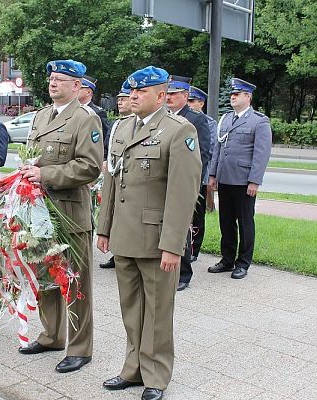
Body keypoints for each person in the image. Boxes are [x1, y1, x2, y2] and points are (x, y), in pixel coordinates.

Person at [96, 66, 201, 400]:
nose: (133, 97)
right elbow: (112, 180)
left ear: (160, 95)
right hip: (124, 235)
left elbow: (183, 193)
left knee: (157, 311)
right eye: (132, 91)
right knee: (131, 307)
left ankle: (155, 375)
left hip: (156, 239)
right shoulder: (122, 127)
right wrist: (104, 226)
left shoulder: (177, 130)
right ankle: (133, 368)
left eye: (141, 92)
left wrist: (173, 245)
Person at [18, 59, 103, 374]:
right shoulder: (41, 116)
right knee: (45, 278)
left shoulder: (85, 119)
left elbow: (89, 166)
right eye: (52, 78)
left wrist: (44, 173)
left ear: (77, 86)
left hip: (69, 214)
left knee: (75, 283)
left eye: (61, 79)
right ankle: (52, 335)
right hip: (38, 211)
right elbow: (31, 156)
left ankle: (80, 348)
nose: (53, 83)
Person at [208, 78, 272, 279]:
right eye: (232, 94)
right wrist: (212, 174)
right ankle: (227, 260)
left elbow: (261, 154)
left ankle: (243, 263)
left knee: (245, 222)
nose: (233, 97)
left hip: (244, 181)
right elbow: (218, 148)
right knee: (226, 222)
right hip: (225, 178)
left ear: (248, 97)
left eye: (237, 94)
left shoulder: (259, 121)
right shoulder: (226, 119)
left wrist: (255, 181)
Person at [166, 76, 210, 291]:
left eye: (174, 94)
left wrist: (193, 185)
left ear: (185, 96)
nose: (169, 97)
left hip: (184, 183)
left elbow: (203, 154)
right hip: (163, 182)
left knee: (182, 227)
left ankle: (184, 274)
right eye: (167, 93)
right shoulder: (163, 117)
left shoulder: (195, 119)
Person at [99, 82, 133, 270]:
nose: (120, 102)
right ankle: (116, 253)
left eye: (124, 99)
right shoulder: (117, 124)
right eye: (118, 99)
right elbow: (108, 147)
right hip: (115, 177)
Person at [188, 85, 218, 216]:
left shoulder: (210, 123)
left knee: (199, 210)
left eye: (192, 101)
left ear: (201, 103)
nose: (189, 104)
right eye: (188, 101)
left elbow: (209, 148)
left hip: (201, 170)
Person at [78, 75, 110, 160]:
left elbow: (105, 137)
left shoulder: (98, 112)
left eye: (80, 88)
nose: (75, 90)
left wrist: (103, 159)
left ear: (88, 92)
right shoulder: (71, 110)